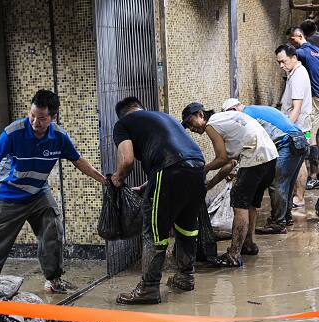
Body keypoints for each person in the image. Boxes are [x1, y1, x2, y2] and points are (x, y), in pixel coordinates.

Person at [0, 89, 107, 293]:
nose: (35, 122)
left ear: (53, 117)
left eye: (42, 118)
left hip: (38, 193)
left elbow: (79, 161)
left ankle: (54, 279)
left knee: (53, 227)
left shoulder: (59, 137)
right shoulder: (13, 132)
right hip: (9, 193)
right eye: (32, 116)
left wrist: (104, 180)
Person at [112, 97, 206, 305]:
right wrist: (148, 185)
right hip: (197, 169)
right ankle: (185, 276)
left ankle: (149, 288)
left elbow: (127, 160)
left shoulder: (123, 124)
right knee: (187, 227)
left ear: (123, 114)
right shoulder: (164, 117)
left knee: (154, 231)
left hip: (170, 171)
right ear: (142, 109)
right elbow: (175, 155)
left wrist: (118, 178)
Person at [183, 102, 278, 267]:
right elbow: (230, 162)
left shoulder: (212, 125)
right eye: (188, 127)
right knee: (250, 204)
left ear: (200, 115)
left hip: (255, 157)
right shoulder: (225, 119)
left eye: (190, 123)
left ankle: (233, 254)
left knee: (239, 204)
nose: (191, 129)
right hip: (270, 157)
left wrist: (204, 169)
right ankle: (249, 244)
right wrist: (211, 183)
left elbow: (221, 159)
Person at [222, 98, 308, 235]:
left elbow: (253, 144)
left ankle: (277, 223)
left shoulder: (246, 116)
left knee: (277, 184)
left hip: (288, 143)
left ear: (234, 110)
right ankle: (285, 217)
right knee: (288, 183)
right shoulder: (256, 109)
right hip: (300, 140)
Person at [287, 25, 319, 190]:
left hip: (318, 102)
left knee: (312, 138)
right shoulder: (317, 49)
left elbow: (292, 59)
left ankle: (314, 176)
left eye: (292, 39)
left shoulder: (301, 52)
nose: (291, 43)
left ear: (299, 36)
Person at [275, 44, 313, 208]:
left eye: (283, 61)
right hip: (298, 126)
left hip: (297, 127)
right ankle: (298, 196)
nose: (281, 66)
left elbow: (296, 107)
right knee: (300, 161)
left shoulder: (298, 76)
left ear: (293, 57)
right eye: (279, 63)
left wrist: (286, 129)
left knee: (299, 162)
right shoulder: (295, 73)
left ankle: (299, 197)